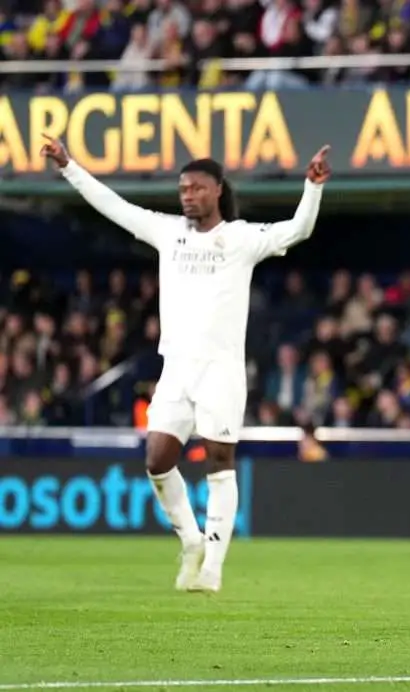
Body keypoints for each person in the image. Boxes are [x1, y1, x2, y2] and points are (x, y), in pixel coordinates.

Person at [40, 134, 331, 594]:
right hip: (176, 367)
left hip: (221, 369)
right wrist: (68, 165)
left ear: (217, 190)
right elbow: (111, 205)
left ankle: (213, 565)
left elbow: (297, 230)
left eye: (196, 188)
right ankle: (190, 540)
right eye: (182, 190)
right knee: (157, 460)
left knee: (220, 461)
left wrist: (312, 188)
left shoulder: (240, 238)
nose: (188, 196)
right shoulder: (166, 231)